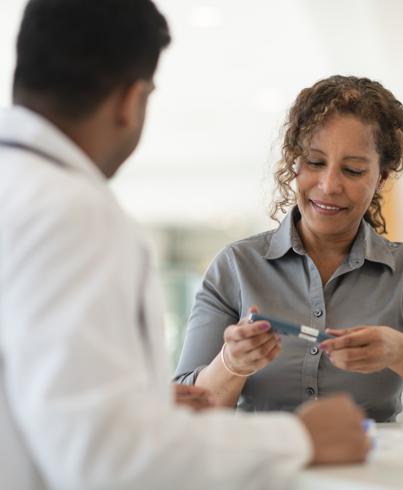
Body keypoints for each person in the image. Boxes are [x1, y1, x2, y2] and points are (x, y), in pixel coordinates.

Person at [0, 1, 370, 489]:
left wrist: (141, 409)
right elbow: (105, 459)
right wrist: (297, 439)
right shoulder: (75, 212)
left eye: (354, 168)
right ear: (132, 99)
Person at [175, 75, 403, 421]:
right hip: (263, 472)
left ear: (381, 178)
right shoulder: (235, 267)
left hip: (368, 473)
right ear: (295, 163)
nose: (329, 186)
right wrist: (230, 365)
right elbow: (185, 409)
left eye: (353, 170)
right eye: (314, 162)